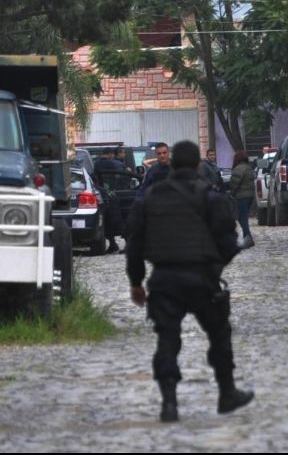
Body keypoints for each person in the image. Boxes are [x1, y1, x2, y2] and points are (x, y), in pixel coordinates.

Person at [125, 140, 253, 423]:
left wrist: (136, 282)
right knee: (219, 335)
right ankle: (226, 392)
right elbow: (230, 243)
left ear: (171, 162)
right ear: (198, 164)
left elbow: (134, 242)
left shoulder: (151, 197)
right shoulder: (210, 197)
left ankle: (169, 403)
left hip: (164, 279)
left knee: (167, 340)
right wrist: (214, 268)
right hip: (202, 279)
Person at [93, 148, 126, 253]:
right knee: (118, 220)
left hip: (102, 195)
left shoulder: (96, 164)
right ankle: (127, 243)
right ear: (110, 154)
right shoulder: (114, 164)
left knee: (107, 221)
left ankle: (112, 243)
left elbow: (96, 179)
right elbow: (119, 177)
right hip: (113, 195)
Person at [229, 150, 256, 248]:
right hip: (250, 195)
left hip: (241, 196)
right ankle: (247, 236)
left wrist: (231, 194)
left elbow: (234, 183)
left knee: (242, 218)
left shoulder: (238, 169)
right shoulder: (249, 168)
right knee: (243, 217)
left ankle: (248, 237)